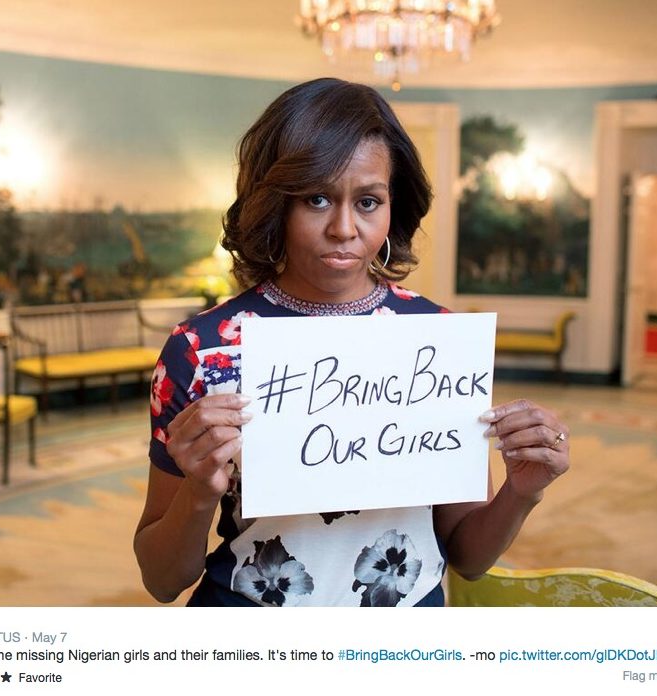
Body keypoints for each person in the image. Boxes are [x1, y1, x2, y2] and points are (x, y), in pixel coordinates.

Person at [134, 77, 570, 606]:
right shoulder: (201, 350)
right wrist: (200, 493)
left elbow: (468, 557)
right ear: (277, 205)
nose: (344, 228)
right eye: (316, 198)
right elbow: (162, 580)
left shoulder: (436, 342)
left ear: (393, 208)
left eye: (368, 201)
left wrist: (522, 491)